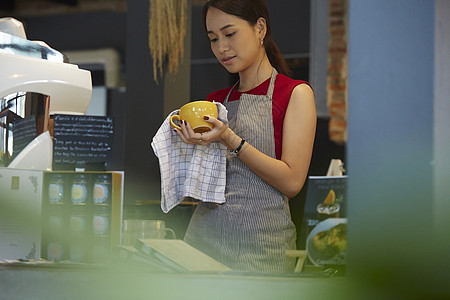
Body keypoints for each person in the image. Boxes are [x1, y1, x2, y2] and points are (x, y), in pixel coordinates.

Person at [174, 0, 316, 272]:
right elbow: (204, 183)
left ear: (260, 28)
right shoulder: (215, 102)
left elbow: (292, 181)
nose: (221, 48)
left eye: (230, 34)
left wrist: (230, 139)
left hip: (261, 249)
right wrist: (187, 148)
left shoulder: (295, 93)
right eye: (213, 39)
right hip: (202, 244)